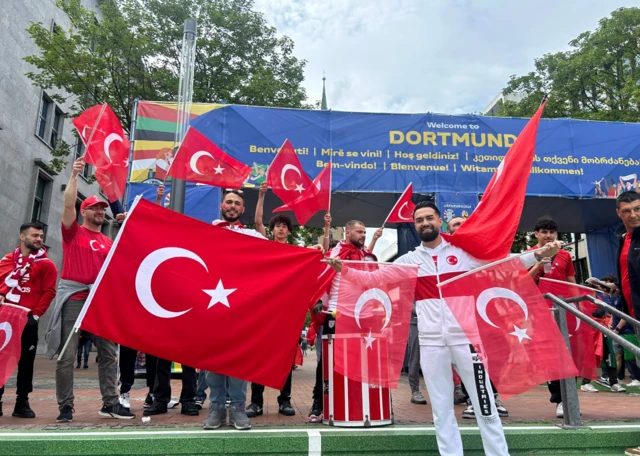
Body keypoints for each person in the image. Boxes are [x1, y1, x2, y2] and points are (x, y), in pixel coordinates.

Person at [327, 201, 560, 455]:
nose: (424, 223)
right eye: (419, 220)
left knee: (485, 405)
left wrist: (537, 254)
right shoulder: (410, 261)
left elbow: (502, 262)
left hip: (467, 341)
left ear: (439, 221)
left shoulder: (463, 254)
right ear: (415, 225)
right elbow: (374, 278)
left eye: (429, 218)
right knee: (441, 410)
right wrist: (345, 270)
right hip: (431, 342)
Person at [44, 156, 134, 422]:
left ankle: (110, 403)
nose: (99, 212)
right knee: (67, 355)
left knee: (108, 353)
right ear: (84, 211)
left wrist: (127, 224)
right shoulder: (73, 233)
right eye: (95, 208)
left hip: (99, 300)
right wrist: (73, 176)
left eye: (102, 209)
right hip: (75, 296)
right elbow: (68, 202)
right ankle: (66, 406)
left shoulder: (107, 240)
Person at [204, 189, 267, 431]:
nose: (232, 206)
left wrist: (315, 251)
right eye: (228, 202)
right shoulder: (204, 232)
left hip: (241, 308)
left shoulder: (252, 235)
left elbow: (279, 256)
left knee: (239, 360)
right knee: (213, 360)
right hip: (210, 304)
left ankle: (238, 407)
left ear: (242, 210)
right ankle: (217, 408)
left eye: (237, 203)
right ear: (222, 206)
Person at [308, 219, 378, 424]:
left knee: (363, 362)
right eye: (359, 231)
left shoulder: (369, 258)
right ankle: (318, 404)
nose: (363, 235)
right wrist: (319, 302)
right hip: (336, 314)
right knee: (326, 362)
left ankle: (362, 402)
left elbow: (375, 283)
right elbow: (320, 280)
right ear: (347, 233)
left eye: (365, 232)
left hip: (362, 317)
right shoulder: (334, 254)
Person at [144, 184, 199, 418]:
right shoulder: (163, 243)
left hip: (188, 306)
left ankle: (189, 399)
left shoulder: (195, 244)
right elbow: (155, 226)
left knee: (188, 358)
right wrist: (158, 202)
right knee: (161, 357)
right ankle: (160, 399)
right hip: (164, 305)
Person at [525, 216, 589, 417]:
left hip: (563, 310)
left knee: (570, 353)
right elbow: (523, 282)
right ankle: (559, 400)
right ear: (537, 235)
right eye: (544, 232)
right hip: (539, 311)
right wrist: (538, 263)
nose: (548, 235)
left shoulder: (564, 255)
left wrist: (578, 307)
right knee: (551, 356)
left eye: (552, 232)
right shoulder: (528, 254)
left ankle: (571, 397)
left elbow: (571, 282)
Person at [445, 216, 507, 417]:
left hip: (487, 309)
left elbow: (502, 264)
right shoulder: (445, 253)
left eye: (463, 224)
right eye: (455, 225)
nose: (460, 227)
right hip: (462, 314)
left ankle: (493, 397)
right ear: (449, 230)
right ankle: (472, 399)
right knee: (468, 357)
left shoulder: (481, 250)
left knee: (492, 356)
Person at [0, 222, 57, 418]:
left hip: (27, 318)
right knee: (1, 358)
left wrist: (36, 315)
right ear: (22, 237)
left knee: (26, 362)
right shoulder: (7, 260)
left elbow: (49, 292)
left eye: (41, 236)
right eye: (34, 235)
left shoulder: (46, 264)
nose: (39, 239)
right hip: (5, 318)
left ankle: (22, 402)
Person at [614, 191, 640, 456]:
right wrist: (615, 289)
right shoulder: (623, 239)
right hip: (634, 317)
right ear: (619, 213)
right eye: (627, 210)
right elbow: (628, 276)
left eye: (637, 208)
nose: (633, 214)